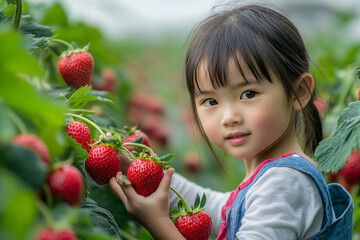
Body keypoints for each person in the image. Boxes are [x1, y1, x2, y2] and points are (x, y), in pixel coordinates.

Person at [109, 4, 354, 239]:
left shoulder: (284, 184)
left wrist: (158, 223)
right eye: (210, 101)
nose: (229, 118)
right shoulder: (275, 178)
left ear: (299, 92)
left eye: (248, 94)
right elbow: (220, 209)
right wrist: (133, 166)